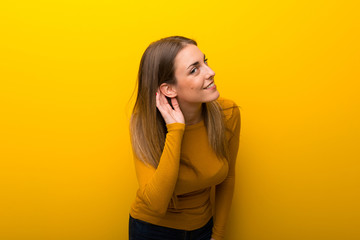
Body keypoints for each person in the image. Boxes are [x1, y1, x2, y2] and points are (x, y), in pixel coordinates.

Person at [128, 36, 241, 240]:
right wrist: (176, 130)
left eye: (205, 62)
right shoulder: (144, 124)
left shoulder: (228, 114)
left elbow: (227, 179)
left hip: (204, 228)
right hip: (152, 231)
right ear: (168, 89)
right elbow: (156, 204)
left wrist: (218, 234)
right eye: (194, 69)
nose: (211, 72)